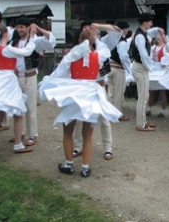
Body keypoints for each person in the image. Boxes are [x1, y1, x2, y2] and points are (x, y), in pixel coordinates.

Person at [39, 27, 121, 176]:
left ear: (78, 41)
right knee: (87, 134)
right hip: (90, 93)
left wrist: (54, 82)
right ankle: (84, 167)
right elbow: (106, 46)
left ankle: (69, 164)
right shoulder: (100, 55)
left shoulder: (71, 55)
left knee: (68, 131)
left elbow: (60, 73)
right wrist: (95, 38)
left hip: (74, 92)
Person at [0, 24, 36, 153]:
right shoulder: (5, 49)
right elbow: (26, 52)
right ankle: (18, 145)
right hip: (7, 81)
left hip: (0, 80)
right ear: (5, 35)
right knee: (18, 113)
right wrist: (32, 37)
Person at [73, 21, 122, 160]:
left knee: (103, 117)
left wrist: (99, 27)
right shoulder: (78, 48)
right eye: (86, 29)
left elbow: (117, 31)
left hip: (99, 86)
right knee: (78, 118)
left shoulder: (103, 43)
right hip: (82, 87)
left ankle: (108, 148)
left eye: (90, 28)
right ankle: (78, 146)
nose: (89, 30)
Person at [9, 16, 56, 146]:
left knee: (30, 108)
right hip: (16, 78)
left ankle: (32, 134)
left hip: (29, 77)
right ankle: (20, 132)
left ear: (27, 28)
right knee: (17, 107)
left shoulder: (35, 41)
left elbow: (51, 41)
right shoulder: (14, 43)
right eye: (17, 27)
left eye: (21, 27)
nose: (19, 29)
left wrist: (38, 28)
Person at [130, 13, 165, 131]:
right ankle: (140, 124)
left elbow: (151, 32)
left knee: (144, 96)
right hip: (140, 67)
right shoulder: (140, 36)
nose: (151, 24)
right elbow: (143, 54)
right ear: (145, 22)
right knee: (143, 97)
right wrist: (150, 66)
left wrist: (158, 29)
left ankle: (143, 121)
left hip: (141, 66)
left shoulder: (143, 33)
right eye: (150, 22)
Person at [107, 21, 131, 121]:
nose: (127, 30)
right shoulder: (121, 42)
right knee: (119, 93)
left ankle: (108, 113)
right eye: (126, 28)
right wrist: (128, 68)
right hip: (118, 68)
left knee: (111, 92)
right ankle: (117, 114)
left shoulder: (112, 40)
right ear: (124, 29)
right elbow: (123, 56)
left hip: (110, 67)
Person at [146, 35, 169, 118]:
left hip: (162, 70)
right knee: (151, 91)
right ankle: (149, 109)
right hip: (154, 69)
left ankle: (163, 111)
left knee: (162, 92)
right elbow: (149, 57)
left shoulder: (165, 48)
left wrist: (165, 62)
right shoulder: (154, 47)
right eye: (157, 37)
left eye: (160, 37)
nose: (158, 38)